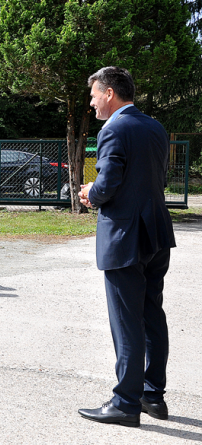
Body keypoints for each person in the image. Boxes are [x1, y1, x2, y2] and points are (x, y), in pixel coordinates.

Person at [77, 67, 175, 427]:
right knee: (152, 314)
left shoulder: (114, 128)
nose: (91, 103)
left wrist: (90, 192)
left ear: (109, 93)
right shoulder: (155, 127)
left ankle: (125, 402)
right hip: (156, 233)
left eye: (93, 95)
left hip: (125, 236)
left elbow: (109, 185)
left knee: (126, 320)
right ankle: (152, 396)